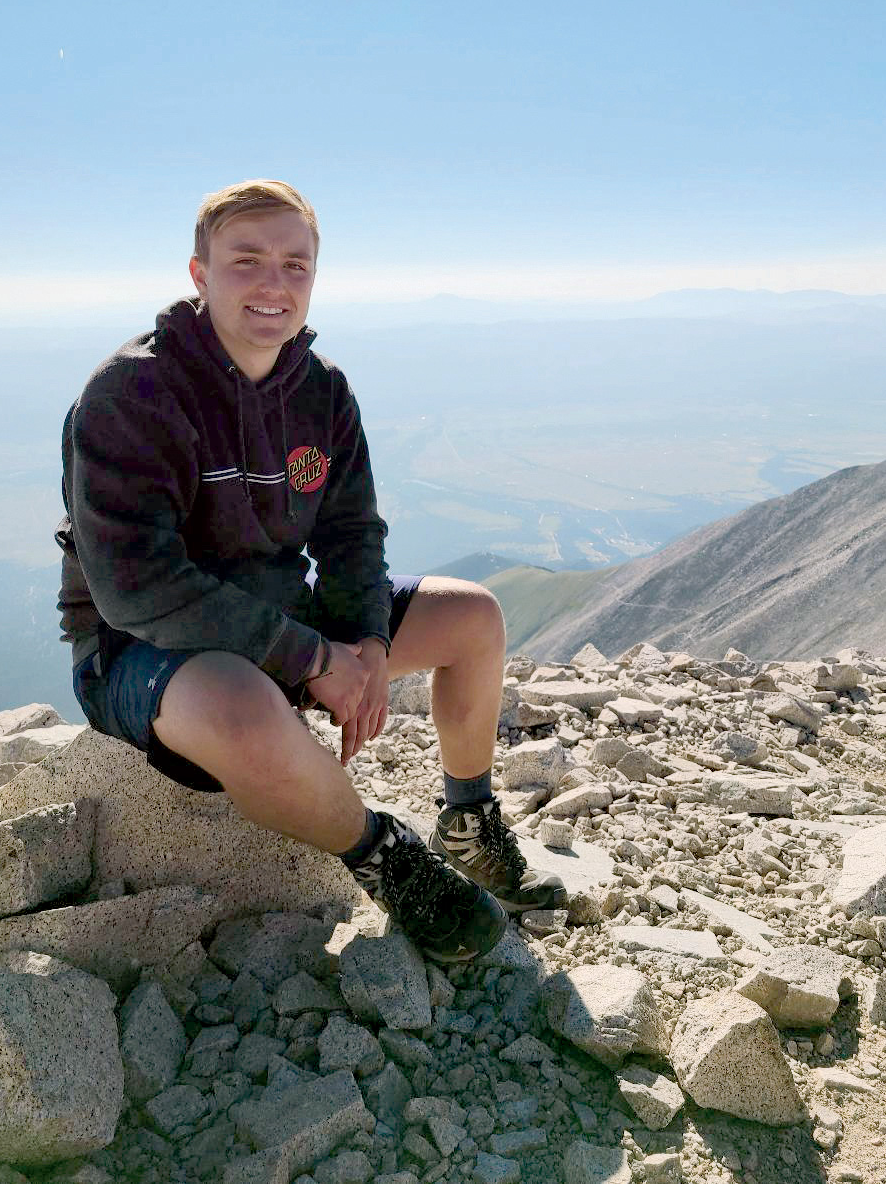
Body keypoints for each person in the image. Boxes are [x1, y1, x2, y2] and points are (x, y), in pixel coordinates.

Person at [56, 179, 564, 964]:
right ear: (199, 274)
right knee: (245, 708)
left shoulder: (320, 391)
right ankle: (383, 854)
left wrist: (362, 641)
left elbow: (352, 532)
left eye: (296, 265)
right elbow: (137, 589)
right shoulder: (132, 395)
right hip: (142, 647)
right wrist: (312, 660)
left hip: (284, 613)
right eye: (246, 261)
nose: (274, 284)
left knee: (475, 619)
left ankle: (467, 821)